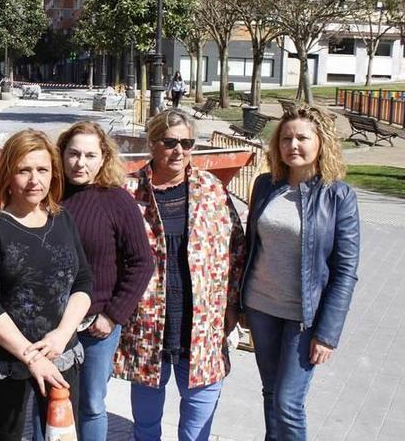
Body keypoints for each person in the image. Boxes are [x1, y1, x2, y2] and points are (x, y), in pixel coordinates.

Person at [115, 109, 245, 441]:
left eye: (187, 143)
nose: (179, 151)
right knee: (145, 421)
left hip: (200, 321)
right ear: (152, 143)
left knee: (197, 420)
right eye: (170, 142)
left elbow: (236, 247)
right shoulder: (130, 191)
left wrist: (232, 305)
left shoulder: (210, 188)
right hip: (147, 321)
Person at [0, 129, 92, 441]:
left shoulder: (62, 219)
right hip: (9, 360)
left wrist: (62, 335)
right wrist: (31, 356)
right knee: (6, 434)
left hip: (61, 353)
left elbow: (83, 282)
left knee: (61, 434)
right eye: (24, 170)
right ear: (8, 174)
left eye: (42, 170)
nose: (35, 180)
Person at [242, 105, 359, 440]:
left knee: (288, 402)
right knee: (270, 394)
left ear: (321, 142)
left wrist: (327, 333)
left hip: (304, 317)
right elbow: (252, 245)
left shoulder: (339, 196)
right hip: (262, 307)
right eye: (286, 138)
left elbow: (345, 271)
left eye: (302, 138)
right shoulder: (266, 185)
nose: (293, 144)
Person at [56, 121, 155, 441]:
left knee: (91, 403)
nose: (80, 163)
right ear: (61, 155)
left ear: (103, 159)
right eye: (73, 154)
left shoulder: (117, 201)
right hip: (52, 324)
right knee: (51, 400)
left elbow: (142, 262)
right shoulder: (49, 196)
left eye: (89, 155)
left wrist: (113, 315)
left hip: (97, 326)